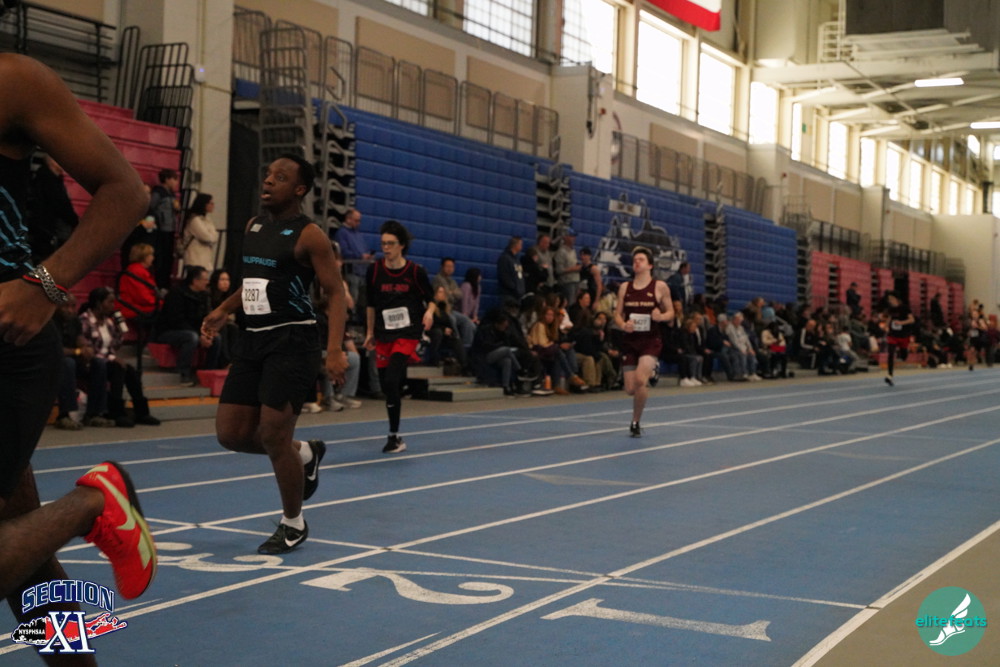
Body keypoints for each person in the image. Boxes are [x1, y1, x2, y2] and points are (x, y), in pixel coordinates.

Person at [0, 50, 157, 620]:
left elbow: (126, 191)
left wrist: (44, 286)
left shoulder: (14, 80)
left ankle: (94, 502)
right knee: (25, 557)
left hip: (7, 340)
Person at [202, 154, 348, 555]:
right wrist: (224, 309)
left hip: (292, 342)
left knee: (272, 433)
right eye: (267, 175)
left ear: (299, 190)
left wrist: (335, 349)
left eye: (279, 178)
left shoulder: (310, 235)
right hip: (253, 340)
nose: (268, 182)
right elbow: (254, 281)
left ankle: (293, 523)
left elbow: (335, 293)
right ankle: (305, 452)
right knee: (231, 434)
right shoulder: (254, 226)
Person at [365, 219, 435, 453]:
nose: (386, 248)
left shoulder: (415, 272)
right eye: (383, 243)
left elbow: (431, 299)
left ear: (402, 245)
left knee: (392, 380)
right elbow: (370, 305)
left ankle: (393, 436)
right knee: (388, 385)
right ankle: (395, 435)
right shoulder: (375, 271)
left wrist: (429, 313)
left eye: (391, 243)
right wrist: (369, 332)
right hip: (383, 333)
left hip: (407, 332)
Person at [80, 286, 161, 427]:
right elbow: (89, 348)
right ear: (99, 303)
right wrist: (112, 358)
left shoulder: (108, 322)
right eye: (110, 302)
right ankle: (117, 412)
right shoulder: (85, 320)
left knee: (130, 371)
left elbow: (115, 345)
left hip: (108, 361)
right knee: (118, 369)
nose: (113, 306)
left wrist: (119, 329)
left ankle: (142, 412)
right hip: (92, 363)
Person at [614, 247, 674, 437]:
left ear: (650, 265)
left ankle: (635, 421)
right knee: (630, 389)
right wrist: (623, 325)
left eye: (641, 259)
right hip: (631, 341)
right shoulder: (625, 287)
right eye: (634, 260)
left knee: (641, 380)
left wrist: (660, 316)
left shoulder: (660, 287)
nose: (636, 262)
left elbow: (671, 313)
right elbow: (617, 314)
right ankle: (651, 372)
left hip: (650, 340)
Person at [156, 264, 221, 384]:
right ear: (195, 280)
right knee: (191, 337)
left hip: (193, 330)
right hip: (169, 330)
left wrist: (207, 333)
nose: (207, 282)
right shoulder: (176, 293)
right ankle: (182, 373)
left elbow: (205, 318)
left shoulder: (204, 295)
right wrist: (200, 335)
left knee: (216, 338)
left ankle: (207, 373)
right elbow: (176, 321)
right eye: (205, 279)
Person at [431, 256, 475, 346]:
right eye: (447, 266)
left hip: (451, 310)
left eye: (452, 266)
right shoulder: (438, 279)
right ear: (442, 267)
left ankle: (466, 346)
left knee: (467, 322)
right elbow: (447, 296)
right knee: (452, 320)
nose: (450, 269)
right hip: (441, 310)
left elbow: (460, 295)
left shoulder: (452, 281)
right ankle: (455, 343)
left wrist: (450, 292)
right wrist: (451, 293)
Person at [148, 167, 181, 288]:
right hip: (161, 229)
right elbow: (151, 207)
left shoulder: (171, 194)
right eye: (174, 179)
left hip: (170, 228)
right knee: (161, 258)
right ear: (167, 179)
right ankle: (159, 283)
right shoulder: (158, 192)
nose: (176, 182)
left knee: (168, 258)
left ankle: (165, 283)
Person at [334, 207, 372, 307]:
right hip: (351, 272)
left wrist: (367, 255)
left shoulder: (358, 234)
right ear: (348, 219)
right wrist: (360, 256)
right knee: (352, 300)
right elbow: (343, 252)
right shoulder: (342, 233)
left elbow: (364, 249)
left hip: (362, 272)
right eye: (356, 220)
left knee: (362, 302)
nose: (358, 223)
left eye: (359, 220)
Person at [881, 291, 915, 386]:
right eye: (889, 299)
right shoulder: (891, 309)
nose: (890, 301)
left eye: (892, 299)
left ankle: (903, 353)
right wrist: (886, 326)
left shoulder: (904, 308)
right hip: (893, 335)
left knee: (904, 355)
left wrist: (901, 323)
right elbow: (890, 318)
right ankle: (889, 375)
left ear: (896, 299)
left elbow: (912, 320)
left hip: (904, 335)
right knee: (891, 354)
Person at [181, 192, 219, 273]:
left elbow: (215, 236)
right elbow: (206, 237)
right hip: (195, 259)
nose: (213, 205)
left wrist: (211, 236)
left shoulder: (207, 219)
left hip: (204, 258)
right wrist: (211, 236)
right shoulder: (195, 220)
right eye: (210, 203)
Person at [554, 228, 581, 305]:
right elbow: (559, 270)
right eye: (571, 236)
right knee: (569, 304)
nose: (574, 238)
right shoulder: (561, 252)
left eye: (574, 236)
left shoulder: (573, 250)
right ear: (565, 237)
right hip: (567, 283)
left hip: (575, 280)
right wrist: (574, 268)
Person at [497, 235, 525, 306]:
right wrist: (514, 288)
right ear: (515, 245)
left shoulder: (516, 259)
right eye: (520, 244)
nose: (521, 246)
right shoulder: (505, 258)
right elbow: (504, 276)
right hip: (509, 294)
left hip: (518, 294)